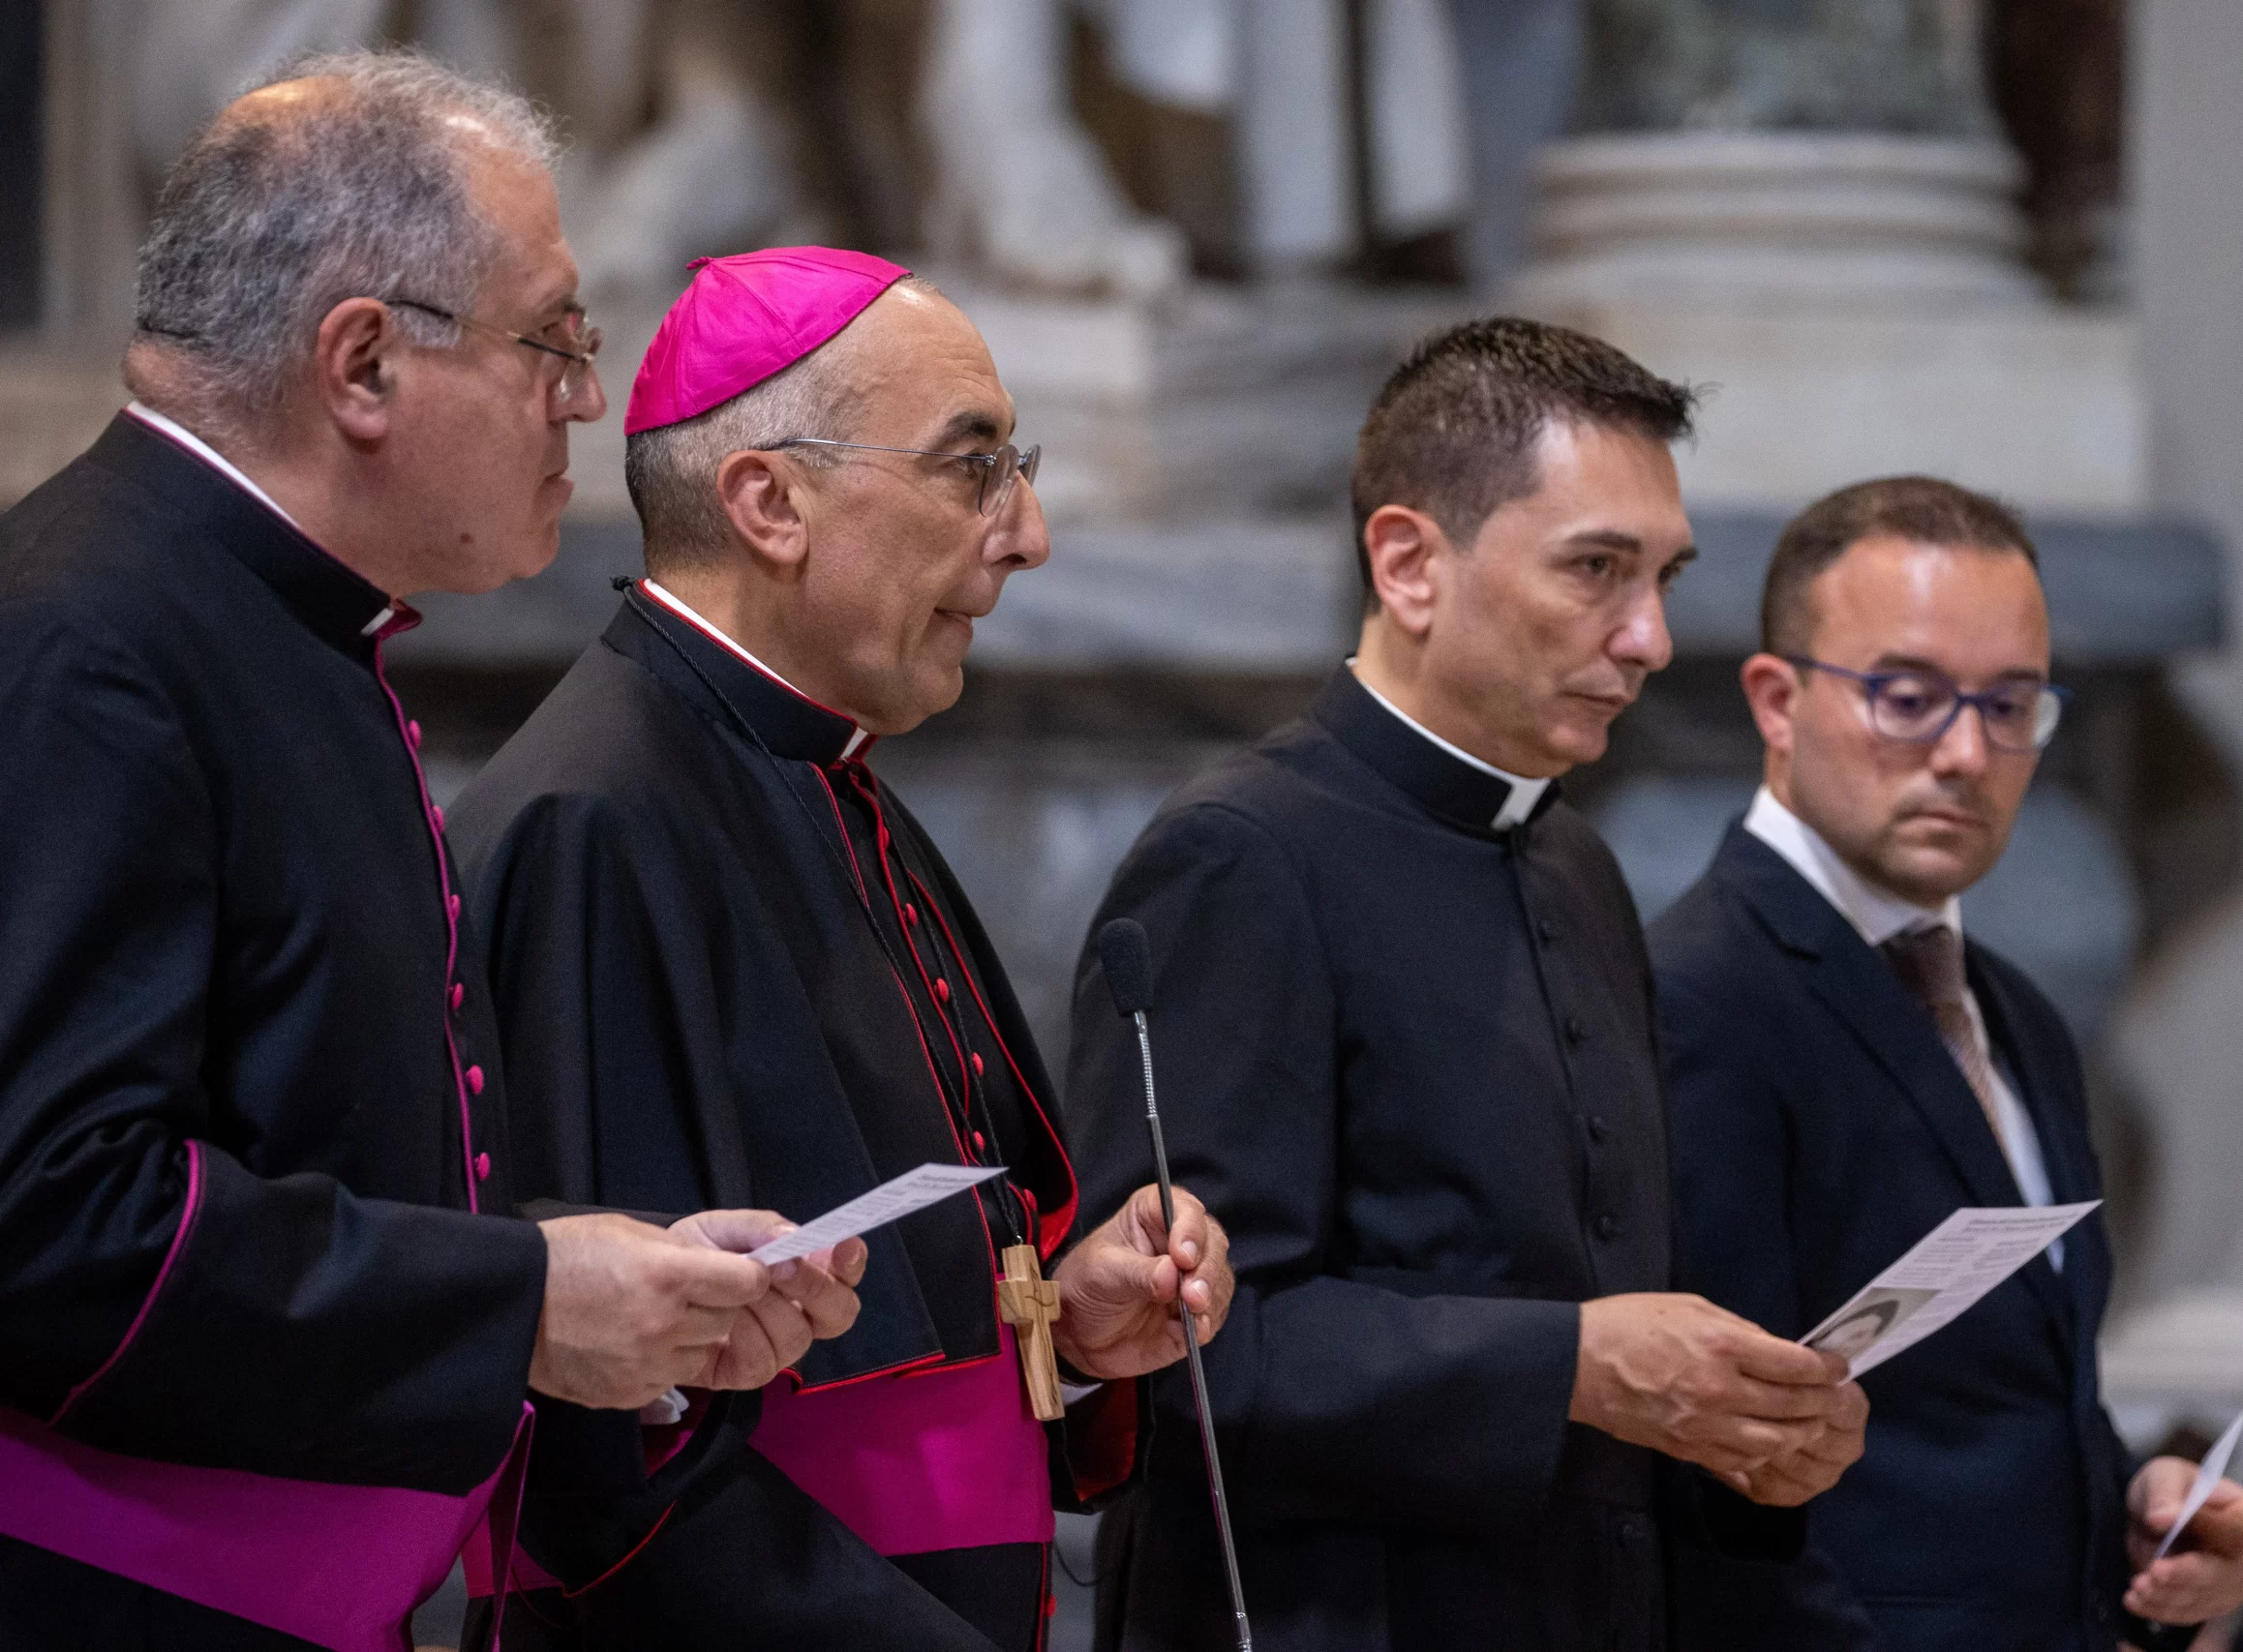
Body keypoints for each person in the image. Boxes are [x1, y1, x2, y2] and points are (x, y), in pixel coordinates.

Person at [0, 54, 862, 1652]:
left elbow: (301, 1128)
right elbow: (47, 1215)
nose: (585, 403)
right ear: (365, 363)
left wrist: (589, 1277)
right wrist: (521, 1302)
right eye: (554, 341)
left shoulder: (272, 624)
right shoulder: (90, 643)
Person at [445, 246, 1237, 1651]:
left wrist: (1067, 1318)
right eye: (973, 466)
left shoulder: (837, 785)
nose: (1030, 531)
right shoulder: (596, 821)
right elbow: (598, 1461)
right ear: (769, 501)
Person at [1063, 317, 1870, 1652]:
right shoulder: (1241, 856)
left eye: (1665, 574)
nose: (1653, 636)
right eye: (1596, 569)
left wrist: (1742, 1421)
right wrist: (1578, 1365)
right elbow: (1182, 1357)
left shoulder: (1575, 863)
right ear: (1409, 562)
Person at [1648, 476, 2243, 1652]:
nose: (1965, 752)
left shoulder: (2017, 1012)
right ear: (1776, 701)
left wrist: (2137, 1506)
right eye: (1907, 696)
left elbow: (1987, 1404)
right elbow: (1702, 1479)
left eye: (2012, 704)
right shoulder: (1697, 997)